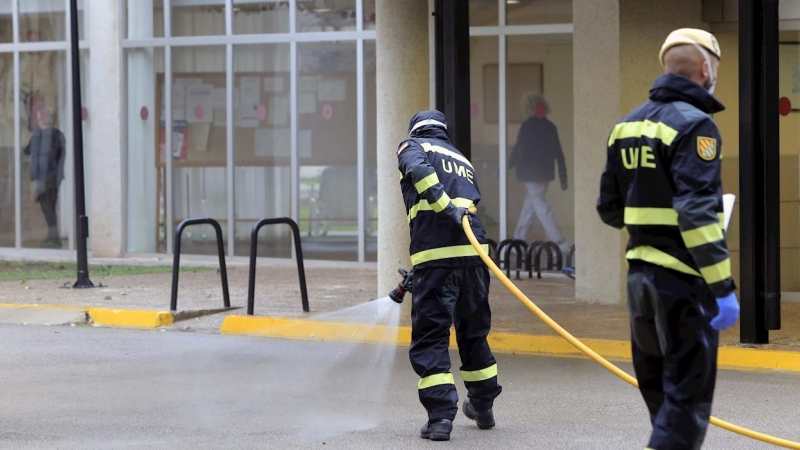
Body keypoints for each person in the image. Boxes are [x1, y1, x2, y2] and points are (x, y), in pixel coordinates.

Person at [596, 29, 740, 449]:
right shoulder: (697, 126)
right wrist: (723, 288)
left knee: (663, 402)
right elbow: (696, 215)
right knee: (685, 408)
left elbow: (608, 209)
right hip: (681, 284)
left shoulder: (625, 126)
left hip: (639, 281)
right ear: (706, 68)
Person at [397, 110, 502, 442]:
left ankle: (440, 418)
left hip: (437, 254)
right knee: (474, 332)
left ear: (416, 130)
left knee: (431, 336)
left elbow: (419, 174)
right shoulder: (460, 158)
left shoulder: (412, 146)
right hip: (473, 255)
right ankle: (482, 406)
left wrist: (446, 209)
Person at [508, 92, 570, 256]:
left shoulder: (527, 126)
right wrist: (563, 177)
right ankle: (517, 240)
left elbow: (519, 148)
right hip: (544, 174)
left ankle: (560, 242)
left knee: (542, 207)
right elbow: (559, 153)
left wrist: (507, 166)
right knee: (530, 207)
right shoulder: (551, 127)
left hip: (531, 175)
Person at [24, 107, 66, 248]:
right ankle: (53, 237)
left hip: (48, 178)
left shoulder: (53, 135)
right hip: (45, 178)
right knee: (48, 208)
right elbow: (28, 151)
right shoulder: (39, 135)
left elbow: (58, 157)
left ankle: (54, 238)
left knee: (48, 207)